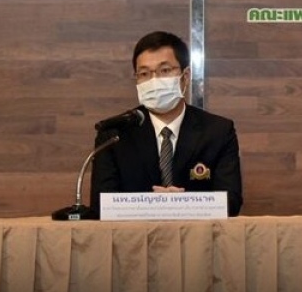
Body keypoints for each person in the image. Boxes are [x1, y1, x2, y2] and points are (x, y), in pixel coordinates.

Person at [91, 31, 243, 217]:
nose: (154, 81)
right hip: (135, 235)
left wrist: (180, 204)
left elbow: (231, 202)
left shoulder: (218, 131)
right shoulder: (115, 134)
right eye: (144, 73)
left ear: (185, 76)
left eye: (164, 71)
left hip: (196, 234)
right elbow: (100, 204)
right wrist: (154, 205)